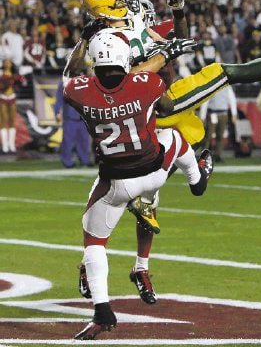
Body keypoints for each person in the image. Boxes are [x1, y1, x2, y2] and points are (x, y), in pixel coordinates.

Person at [68, 0, 261, 306]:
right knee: (222, 72)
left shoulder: (129, 26)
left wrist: (178, 16)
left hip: (155, 114)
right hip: (155, 105)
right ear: (107, 7)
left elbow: (180, 38)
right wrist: (163, 56)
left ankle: (135, 263)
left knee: (158, 186)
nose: (130, 0)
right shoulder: (103, 38)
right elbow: (124, 79)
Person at [64, 32, 213, 340]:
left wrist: (84, 39)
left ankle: (102, 310)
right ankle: (197, 179)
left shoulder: (78, 91)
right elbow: (163, 102)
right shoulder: (145, 84)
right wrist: (165, 56)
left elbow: (71, 73)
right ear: (124, 59)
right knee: (171, 135)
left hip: (115, 182)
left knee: (93, 244)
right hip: (154, 171)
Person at [54, 80, 92, 168]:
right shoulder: (65, 82)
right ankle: (67, 161)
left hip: (83, 117)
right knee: (68, 141)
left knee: (84, 140)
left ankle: (84, 159)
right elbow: (59, 99)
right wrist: (57, 112)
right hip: (70, 116)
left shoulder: (87, 82)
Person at [0, 59, 24, 154]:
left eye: (9, 62)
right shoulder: (1, 74)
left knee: (12, 121)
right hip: (2, 98)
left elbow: (22, 80)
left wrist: (17, 78)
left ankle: (12, 145)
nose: (8, 63)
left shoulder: (14, 74)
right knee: (3, 121)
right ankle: (5, 146)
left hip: (12, 98)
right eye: (6, 61)